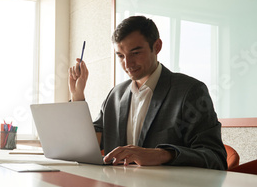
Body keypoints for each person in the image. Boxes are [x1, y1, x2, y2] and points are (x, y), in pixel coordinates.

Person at [68, 15, 227, 170]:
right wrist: (77, 96)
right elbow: (88, 145)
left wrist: (160, 155)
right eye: (120, 56)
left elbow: (215, 157)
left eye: (135, 53)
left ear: (157, 46)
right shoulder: (115, 95)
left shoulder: (190, 91)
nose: (127, 64)